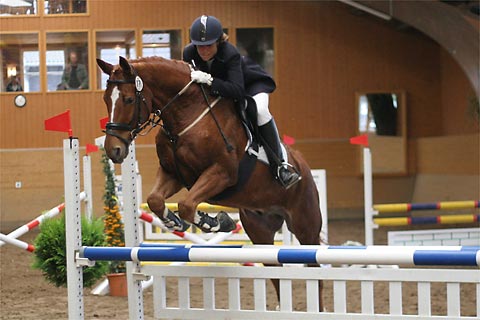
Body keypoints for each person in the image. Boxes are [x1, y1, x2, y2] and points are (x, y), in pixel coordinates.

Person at [183, 15, 301, 189]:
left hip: (250, 86)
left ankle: (281, 166)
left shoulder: (230, 53)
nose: (204, 51)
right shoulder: (189, 53)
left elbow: (237, 90)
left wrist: (210, 81)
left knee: (260, 111)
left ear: (218, 42)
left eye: (208, 45)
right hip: (221, 90)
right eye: (199, 46)